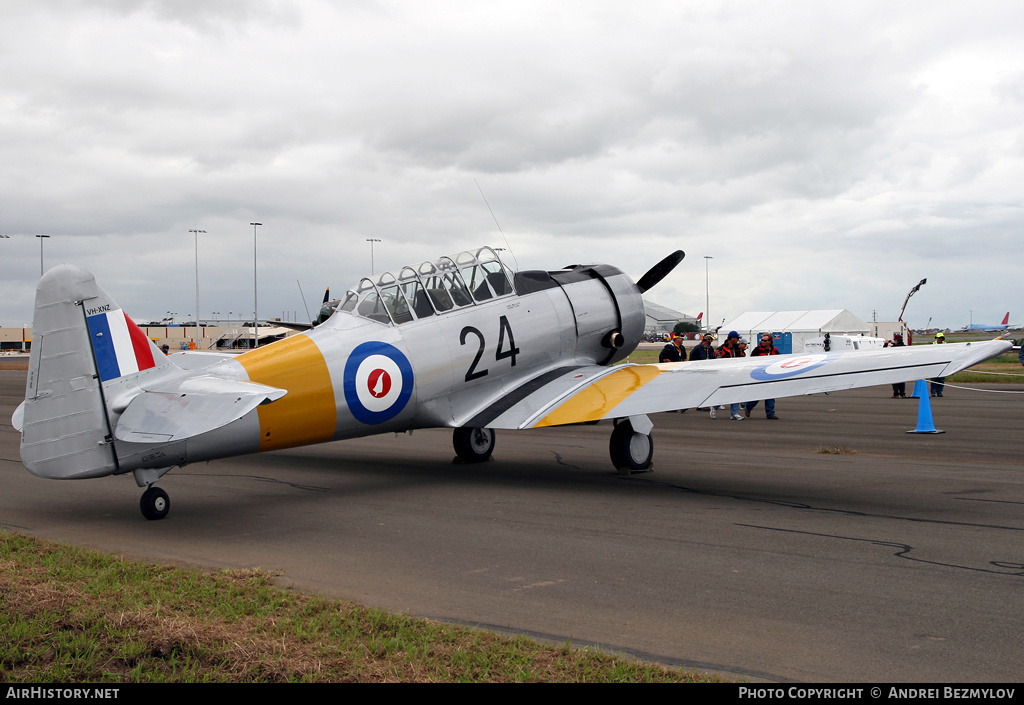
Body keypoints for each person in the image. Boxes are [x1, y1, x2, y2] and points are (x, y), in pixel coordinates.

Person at [745, 333, 780, 419]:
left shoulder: (774, 350)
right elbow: (751, 362)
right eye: (762, 340)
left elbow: (779, 360)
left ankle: (770, 413)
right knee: (757, 394)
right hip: (759, 375)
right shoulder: (757, 350)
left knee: (770, 394)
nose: (763, 342)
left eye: (765, 340)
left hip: (771, 375)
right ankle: (749, 407)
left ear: (770, 341)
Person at [712, 331, 743, 419]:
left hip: (735, 373)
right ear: (732, 339)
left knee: (736, 393)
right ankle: (715, 406)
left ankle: (734, 413)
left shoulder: (738, 348)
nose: (738, 340)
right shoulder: (721, 349)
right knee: (724, 393)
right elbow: (717, 362)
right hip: (725, 374)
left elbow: (740, 360)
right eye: (737, 338)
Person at [884, 333, 907, 397]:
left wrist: (886, 343)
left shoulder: (894, 348)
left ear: (896, 340)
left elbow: (884, 350)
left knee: (895, 381)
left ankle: (896, 393)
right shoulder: (905, 347)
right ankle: (903, 393)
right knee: (902, 381)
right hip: (903, 366)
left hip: (895, 366)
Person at [930, 332, 947, 397]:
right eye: (939, 338)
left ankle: (939, 392)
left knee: (941, 380)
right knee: (934, 380)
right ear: (936, 338)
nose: (940, 339)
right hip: (934, 364)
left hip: (943, 364)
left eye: (942, 338)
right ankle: (933, 392)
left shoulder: (946, 345)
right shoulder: (932, 344)